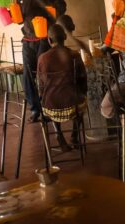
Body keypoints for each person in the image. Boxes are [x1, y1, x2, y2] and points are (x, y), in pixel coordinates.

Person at [17, 0, 67, 122]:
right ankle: (35, 108)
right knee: (27, 75)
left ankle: (46, 107)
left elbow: (63, 7)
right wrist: (19, 5)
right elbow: (19, 7)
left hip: (45, 36)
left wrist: (52, 9)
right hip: (29, 36)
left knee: (43, 73)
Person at [37, 24, 87, 152]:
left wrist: (43, 98)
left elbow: (41, 86)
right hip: (73, 107)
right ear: (65, 37)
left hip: (50, 108)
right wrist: (82, 94)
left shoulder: (42, 59)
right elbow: (83, 81)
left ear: (49, 40)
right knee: (81, 103)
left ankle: (59, 136)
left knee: (52, 97)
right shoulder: (74, 55)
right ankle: (74, 137)